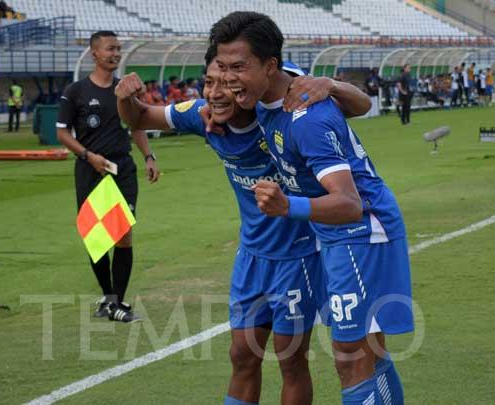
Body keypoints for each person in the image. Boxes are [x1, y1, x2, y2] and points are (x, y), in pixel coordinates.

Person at [117, 47, 371, 403]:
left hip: (298, 257)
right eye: (209, 82)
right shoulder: (200, 115)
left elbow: (360, 105)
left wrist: (328, 84)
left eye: (229, 82)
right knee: (241, 355)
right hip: (252, 255)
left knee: (291, 359)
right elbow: (139, 117)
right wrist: (125, 97)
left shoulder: (284, 108)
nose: (216, 92)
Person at [211, 11, 413, 404]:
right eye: (223, 67)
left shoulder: (305, 118)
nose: (230, 78)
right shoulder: (281, 78)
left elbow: (350, 204)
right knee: (367, 351)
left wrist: (288, 205)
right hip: (336, 235)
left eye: (239, 67)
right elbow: (358, 103)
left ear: (269, 67)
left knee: (351, 357)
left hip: (361, 230)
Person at [56, 31, 160, 324]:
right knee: (96, 238)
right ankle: (109, 299)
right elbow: (62, 133)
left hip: (122, 170)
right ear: (95, 54)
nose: (115, 53)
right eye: (110, 49)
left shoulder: (123, 90)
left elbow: (137, 123)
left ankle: (116, 302)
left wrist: (148, 156)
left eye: (118, 49)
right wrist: (89, 156)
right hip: (90, 170)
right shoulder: (75, 92)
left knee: (124, 234)